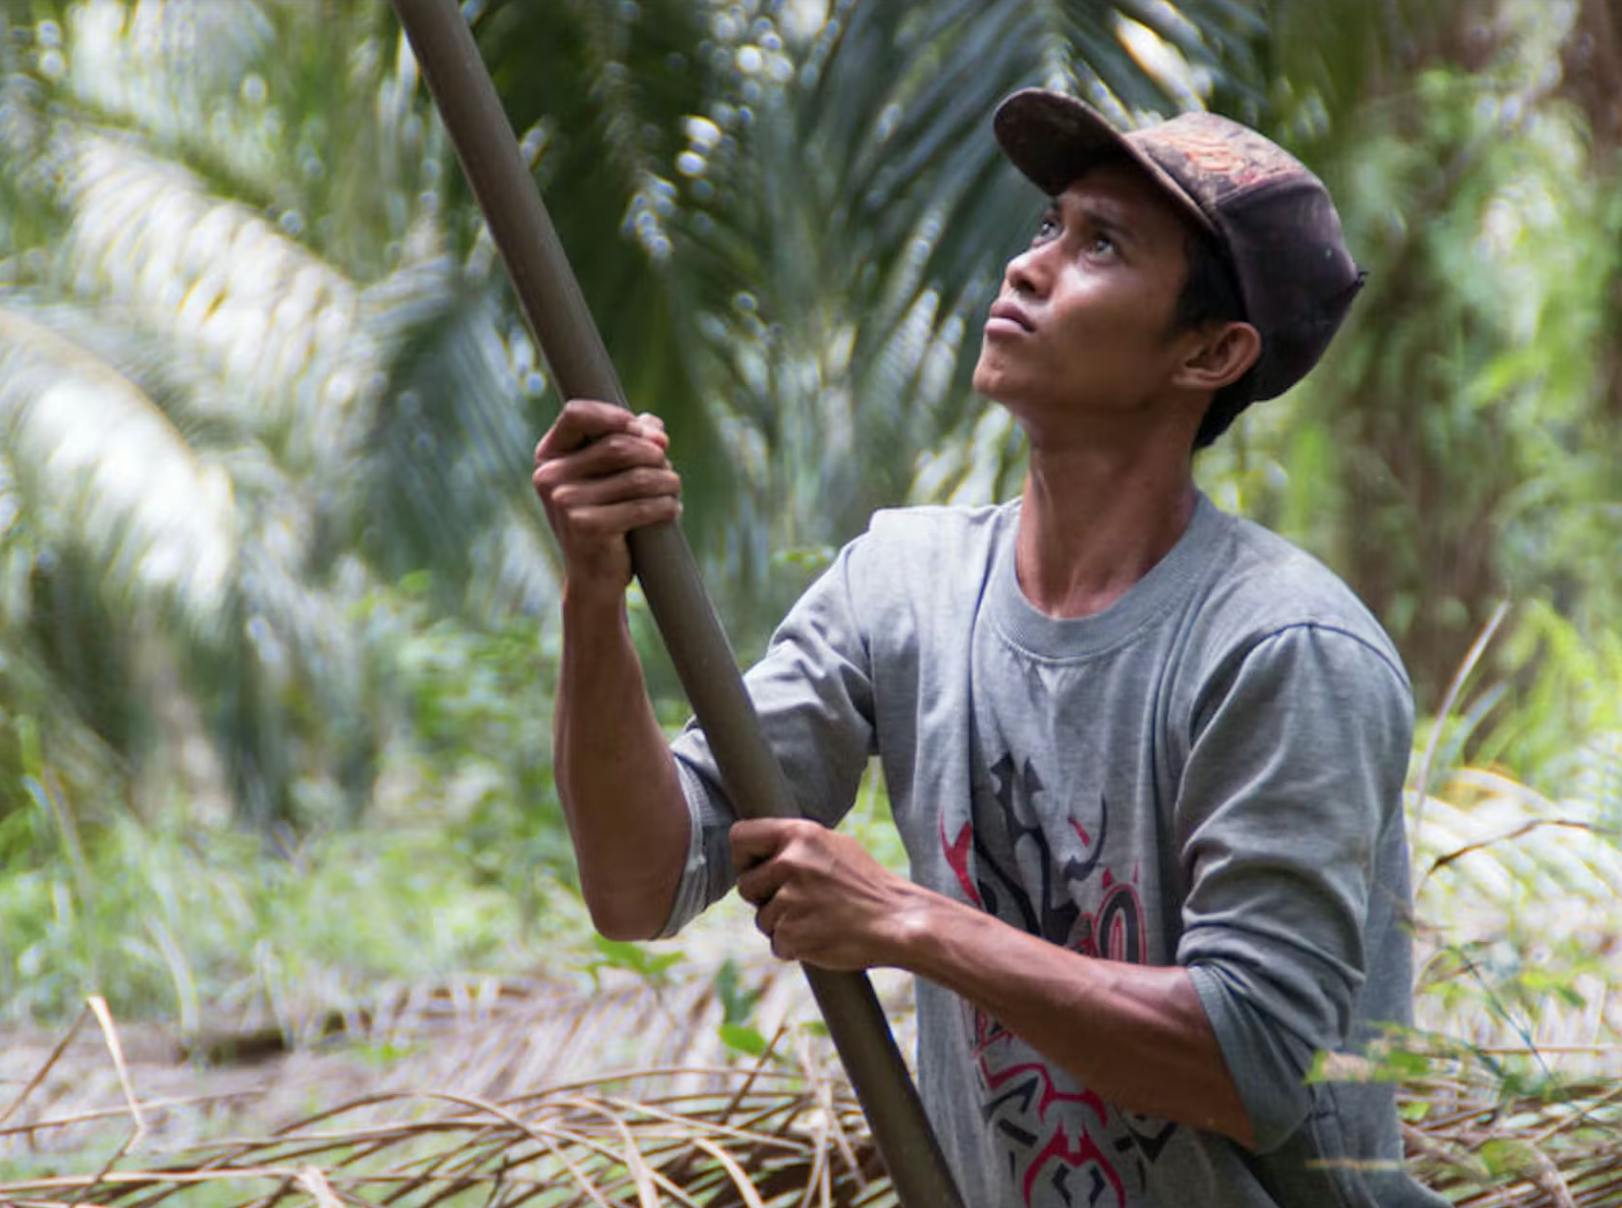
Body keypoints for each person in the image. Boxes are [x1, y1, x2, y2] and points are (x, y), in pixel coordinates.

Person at [532, 88, 1444, 1208]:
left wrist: (907, 920)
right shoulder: (903, 587)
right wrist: (593, 592)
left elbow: (1251, 1058)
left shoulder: (1280, 648)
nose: (1028, 266)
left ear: (1212, 351)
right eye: (1048, 225)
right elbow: (641, 883)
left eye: (1100, 245)